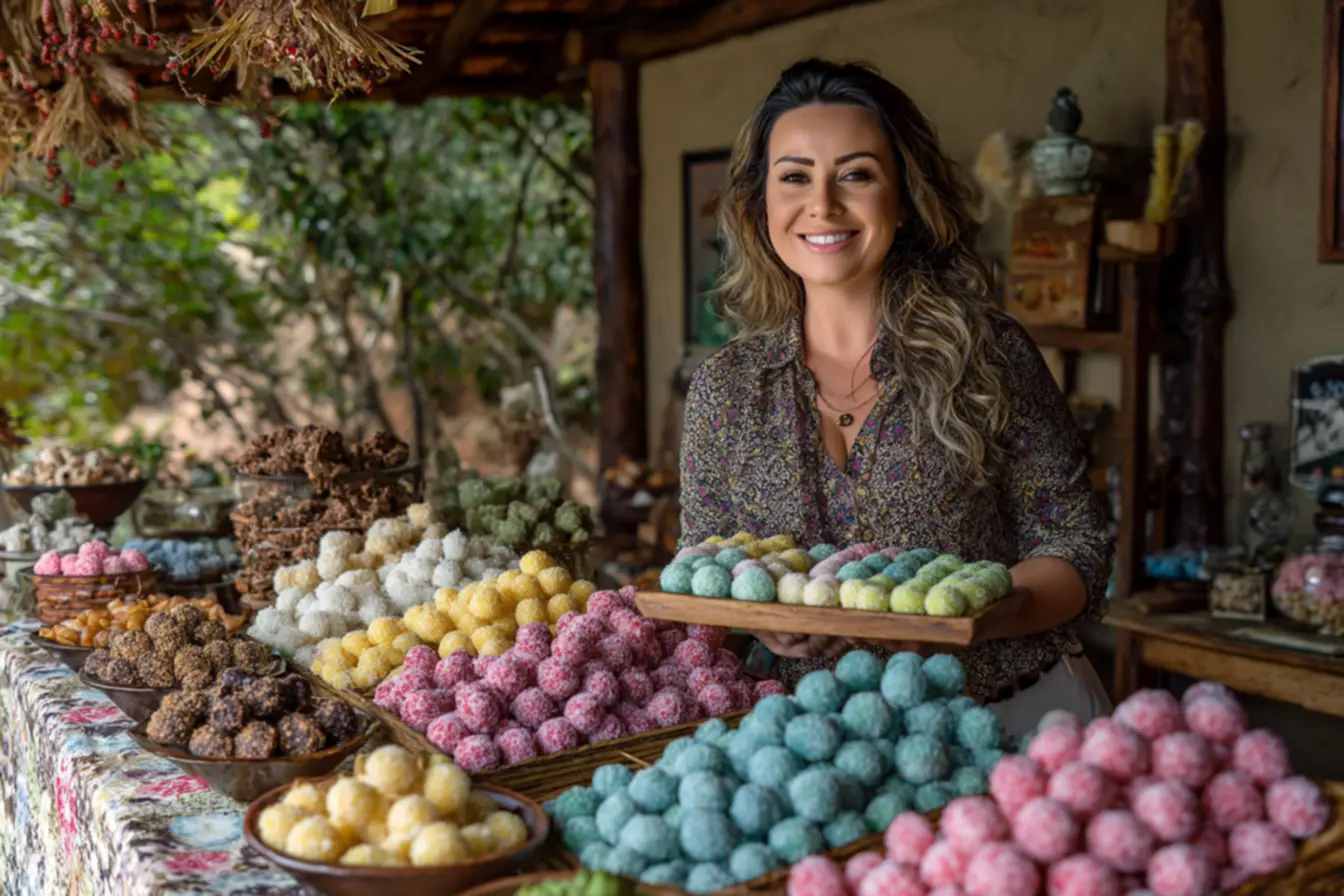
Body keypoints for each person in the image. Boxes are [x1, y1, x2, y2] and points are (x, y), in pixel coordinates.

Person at [677, 59, 1113, 737]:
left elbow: (1076, 544)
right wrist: (761, 619)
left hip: (1014, 723)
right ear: (760, 203)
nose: (822, 205)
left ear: (904, 199)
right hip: (819, 750)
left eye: (856, 174)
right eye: (794, 176)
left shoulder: (987, 353)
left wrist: (961, 620)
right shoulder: (723, 389)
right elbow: (708, 575)